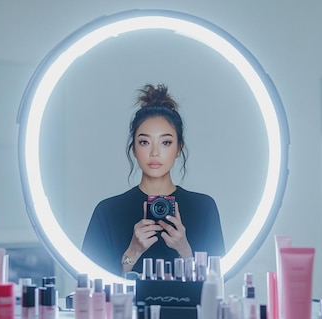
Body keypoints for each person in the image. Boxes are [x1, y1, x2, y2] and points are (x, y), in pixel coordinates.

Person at [81, 84, 225, 276]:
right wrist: (133, 251)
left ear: (179, 148)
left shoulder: (203, 208)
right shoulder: (107, 211)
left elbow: (215, 287)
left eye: (165, 142)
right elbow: (90, 287)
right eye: (144, 142)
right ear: (134, 148)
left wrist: (184, 249)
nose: (155, 152)